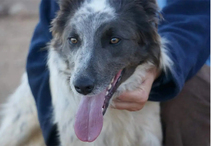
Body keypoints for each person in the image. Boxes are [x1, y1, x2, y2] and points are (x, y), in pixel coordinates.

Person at [26, 0, 210, 145]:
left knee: (187, 98)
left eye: (113, 40)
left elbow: (196, 15)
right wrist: (55, 135)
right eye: (75, 39)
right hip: (66, 76)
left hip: (185, 54)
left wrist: (162, 72)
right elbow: (42, 48)